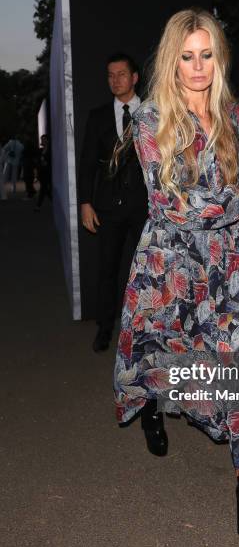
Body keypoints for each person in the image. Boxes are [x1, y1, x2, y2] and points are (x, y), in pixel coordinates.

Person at [114, 9, 239, 547]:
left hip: (227, 268)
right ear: (171, 59)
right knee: (171, 361)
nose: (197, 67)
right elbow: (173, 205)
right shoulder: (150, 119)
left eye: (207, 54)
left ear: (219, 58)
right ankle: (153, 407)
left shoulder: (237, 115)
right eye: (186, 56)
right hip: (171, 267)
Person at [79, 53, 148, 353]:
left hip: (145, 207)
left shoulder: (152, 112)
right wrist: (85, 203)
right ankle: (105, 329)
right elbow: (86, 165)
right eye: (110, 75)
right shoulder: (97, 116)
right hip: (108, 207)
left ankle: (146, 330)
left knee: (147, 271)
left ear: (134, 78)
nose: (115, 80)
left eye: (121, 74)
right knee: (107, 269)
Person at [34, 135, 52, 210]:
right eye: (42, 139)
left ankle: (38, 205)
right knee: (45, 189)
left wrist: (46, 162)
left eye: (44, 139)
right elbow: (37, 161)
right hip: (41, 172)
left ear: (47, 140)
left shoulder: (51, 150)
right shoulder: (40, 150)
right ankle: (54, 201)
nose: (42, 141)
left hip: (48, 172)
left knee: (43, 189)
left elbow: (51, 161)